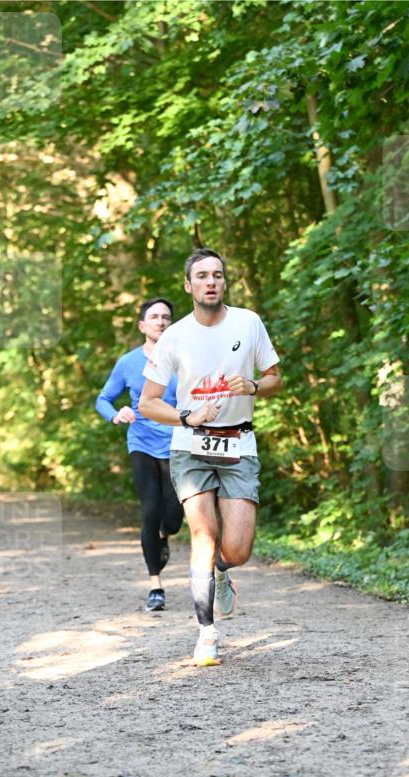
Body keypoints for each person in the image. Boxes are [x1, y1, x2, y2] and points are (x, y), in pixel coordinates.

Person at [139, 248, 281, 665]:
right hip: (190, 446)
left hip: (239, 443)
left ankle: (222, 570)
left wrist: (253, 387)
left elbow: (275, 378)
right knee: (202, 534)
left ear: (224, 282)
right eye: (201, 275)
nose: (211, 281)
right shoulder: (174, 336)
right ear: (189, 286)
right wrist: (187, 415)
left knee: (237, 549)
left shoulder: (248, 323)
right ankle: (206, 633)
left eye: (217, 274)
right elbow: (149, 403)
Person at [95, 298, 184, 612]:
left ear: (172, 325)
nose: (161, 322)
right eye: (154, 317)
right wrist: (116, 413)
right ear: (143, 326)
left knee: (173, 519)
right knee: (150, 510)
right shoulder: (129, 362)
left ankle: (164, 534)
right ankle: (155, 586)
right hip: (142, 443)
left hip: (178, 443)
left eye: (166, 317)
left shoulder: (184, 358)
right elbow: (103, 399)